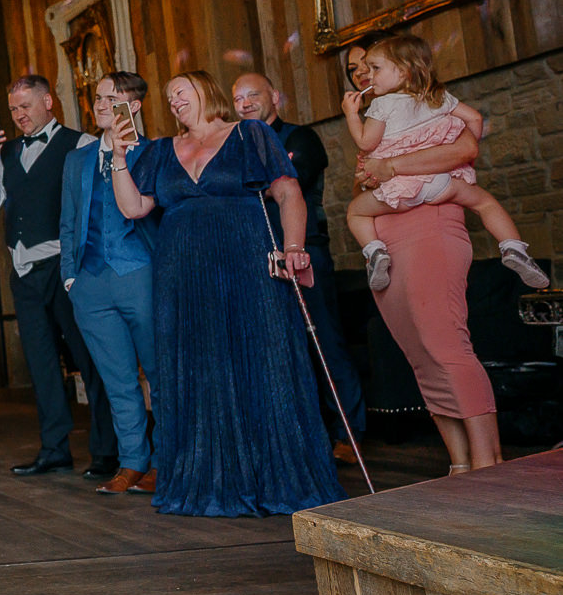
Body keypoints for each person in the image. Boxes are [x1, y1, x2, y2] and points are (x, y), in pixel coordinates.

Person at [108, 71, 345, 517]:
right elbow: (133, 207)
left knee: (262, 359)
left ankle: (276, 477)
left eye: (181, 89)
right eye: (168, 94)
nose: (173, 98)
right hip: (183, 277)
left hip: (247, 263)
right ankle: (211, 478)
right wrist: (120, 157)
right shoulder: (160, 151)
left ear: (207, 91)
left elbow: (289, 192)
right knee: (201, 368)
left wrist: (293, 249)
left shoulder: (248, 134)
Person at [0, 75, 116, 479]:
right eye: (14, 109)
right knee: (40, 364)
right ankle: (54, 448)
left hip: (67, 267)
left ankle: (107, 450)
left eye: (26, 106)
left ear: (48, 102)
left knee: (88, 357)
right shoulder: (6, 152)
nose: (19, 116)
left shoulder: (82, 144)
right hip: (23, 272)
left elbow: (97, 209)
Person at [343, 35, 547, 292]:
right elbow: (474, 119)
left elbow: (365, 142)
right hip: (443, 184)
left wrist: (351, 115)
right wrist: (460, 154)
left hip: (403, 191)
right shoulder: (437, 97)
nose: (368, 76)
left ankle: (374, 253)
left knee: (356, 211)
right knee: (484, 202)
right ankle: (513, 247)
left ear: (404, 72)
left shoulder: (382, 105)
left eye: (375, 68)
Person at [232, 71, 367, 459]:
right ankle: (305, 435)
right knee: (282, 348)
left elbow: (289, 180)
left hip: (305, 253)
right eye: (238, 98)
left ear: (275, 96)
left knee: (325, 341)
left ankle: (349, 433)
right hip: (260, 257)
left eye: (252, 95)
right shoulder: (238, 143)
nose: (244, 104)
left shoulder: (300, 137)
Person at [356, 134, 501, 475]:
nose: (365, 76)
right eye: (358, 74)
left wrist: (389, 167)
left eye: (373, 74)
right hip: (385, 242)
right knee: (420, 357)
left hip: (430, 227)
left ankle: (489, 465)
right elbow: (363, 195)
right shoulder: (374, 133)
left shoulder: (436, 113)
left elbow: (466, 149)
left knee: (447, 347)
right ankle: (461, 464)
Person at [59, 73, 159, 496]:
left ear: (132, 107)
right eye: (97, 97)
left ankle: (170, 462)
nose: (100, 104)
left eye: (110, 97)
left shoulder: (155, 153)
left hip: (140, 274)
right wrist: (70, 277)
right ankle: (133, 462)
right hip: (90, 282)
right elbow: (67, 221)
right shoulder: (77, 160)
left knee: (160, 373)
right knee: (116, 379)